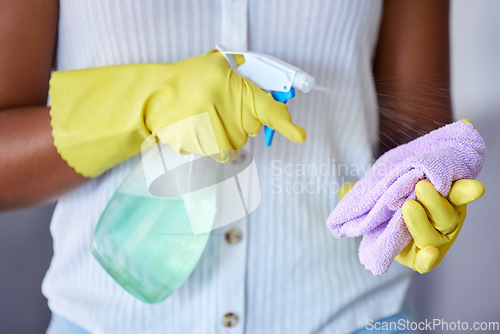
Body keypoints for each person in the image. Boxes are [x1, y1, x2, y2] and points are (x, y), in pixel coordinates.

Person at [0, 0, 482, 333]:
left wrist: (412, 194)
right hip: (107, 318)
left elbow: (416, 131)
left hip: (352, 315)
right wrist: (145, 103)